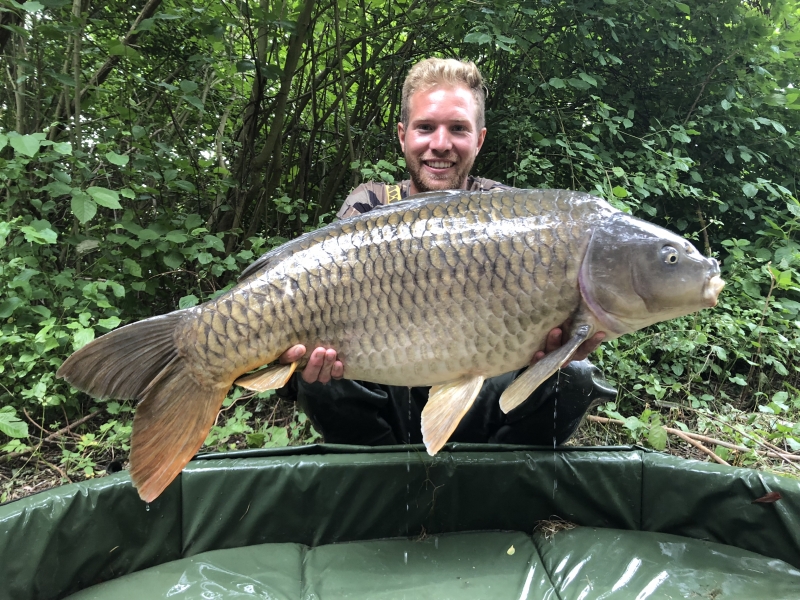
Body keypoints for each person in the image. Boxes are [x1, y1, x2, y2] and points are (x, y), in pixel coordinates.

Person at [277, 58, 615, 446]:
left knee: (575, 376)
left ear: (479, 139)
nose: (440, 144)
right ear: (403, 135)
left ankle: (491, 488)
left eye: (458, 129)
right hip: (389, 385)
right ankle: (386, 485)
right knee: (322, 379)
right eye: (425, 127)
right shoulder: (369, 205)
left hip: (483, 390)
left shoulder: (509, 212)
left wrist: (560, 346)